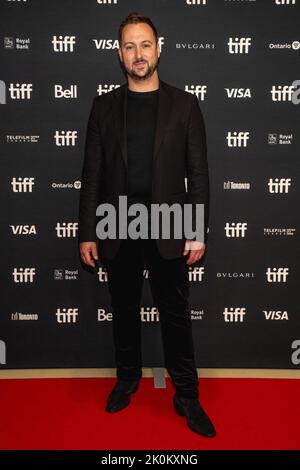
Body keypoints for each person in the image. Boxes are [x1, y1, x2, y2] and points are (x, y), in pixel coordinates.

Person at [78, 11, 216, 438]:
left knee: (176, 314)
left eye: (145, 44)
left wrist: (196, 228)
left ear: (159, 48)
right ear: (120, 55)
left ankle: (187, 395)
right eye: (129, 46)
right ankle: (127, 378)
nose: (138, 54)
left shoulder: (185, 103)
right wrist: (87, 231)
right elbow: (93, 174)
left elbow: (198, 171)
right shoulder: (103, 106)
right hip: (117, 221)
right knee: (123, 309)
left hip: (170, 222)